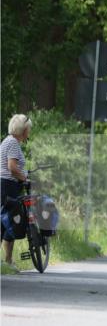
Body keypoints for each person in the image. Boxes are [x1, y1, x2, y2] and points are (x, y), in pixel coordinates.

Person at [1, 114, 31, 270]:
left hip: (6, 184)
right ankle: (7, 260)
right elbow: (12, 168)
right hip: (8, 185)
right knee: (10, 220)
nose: (30, 131)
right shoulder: (13, 143)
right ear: (23, 129)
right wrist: (24, 177)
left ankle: (7, 260)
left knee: (7, 221)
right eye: (29, 129)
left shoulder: (8, 141)